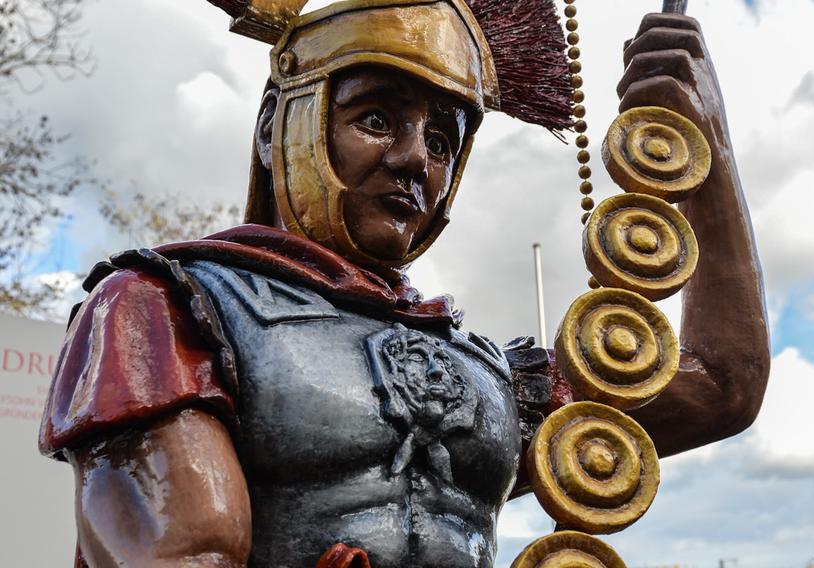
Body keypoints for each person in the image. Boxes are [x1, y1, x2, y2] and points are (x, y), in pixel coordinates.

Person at [39, 1, 770, 566]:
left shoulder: (486, 374)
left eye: (444, 141)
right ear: (275, 126)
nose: (416, 159)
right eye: (377, 118)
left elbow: (721, 386)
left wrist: (708, 147)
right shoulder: (166, 308)